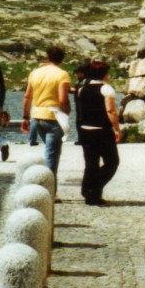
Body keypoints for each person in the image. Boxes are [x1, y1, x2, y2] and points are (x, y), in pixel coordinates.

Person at [21, 45, 72, 179]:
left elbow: (27, 97)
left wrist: (25, 117)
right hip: (54, 117)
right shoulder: (62, 74)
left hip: (37, 116)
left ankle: (48, 183)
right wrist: (67, 112)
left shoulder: (35, 73)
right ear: (62, 59)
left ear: (47, 57)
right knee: (52, 156)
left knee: (50, 151)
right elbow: (63, 99)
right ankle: (50, 186)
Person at [76, 60, 122, 206]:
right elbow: (111, 110)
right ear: (104, 74)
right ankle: (94, 188)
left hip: (85, 130)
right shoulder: (106, 89)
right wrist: (117, 129)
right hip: (102, 131)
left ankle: (89, 192)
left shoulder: (82, 89)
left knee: (91, 163)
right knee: (112, 162)